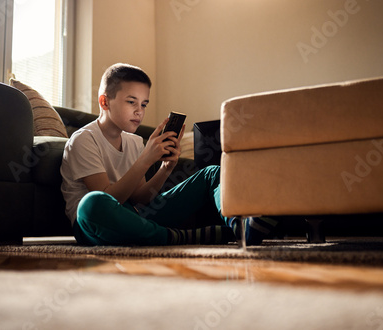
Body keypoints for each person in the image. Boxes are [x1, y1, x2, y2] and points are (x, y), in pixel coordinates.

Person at [60, 63, 277, 246]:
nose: (139, 111)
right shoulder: (83, 140)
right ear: (105, 102)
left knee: (212, 173)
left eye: (143, 104)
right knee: (93, 204)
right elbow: (109, 198)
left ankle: (240, 225)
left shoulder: (134, 142)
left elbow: (140, 198)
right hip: (96, 226)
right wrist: (146, 159)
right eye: (131, 102)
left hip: (135, 218)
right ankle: (178, 237)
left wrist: (166, 168)